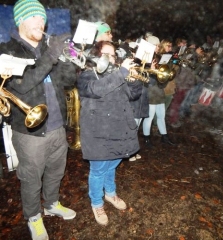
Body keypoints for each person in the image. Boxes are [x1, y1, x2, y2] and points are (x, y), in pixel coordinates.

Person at [0, 0, 77, 239]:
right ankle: (33, 216)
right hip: (30, 132)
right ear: (21, 20)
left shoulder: (47, 48)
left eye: (42, 18)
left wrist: (67, 57)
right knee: (31, 178)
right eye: (34, 18)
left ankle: (51, 203)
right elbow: (21, 86)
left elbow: (67, 81)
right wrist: (51, 55)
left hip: (56, 126)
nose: (40, 23)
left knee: (56, 170)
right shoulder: (7, 50)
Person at [77, 41, 142, 225]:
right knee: (98, 170)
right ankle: (96, 202)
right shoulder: (86, 76)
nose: (111, 58)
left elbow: (133, 95)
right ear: (95, 56)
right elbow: (97, 90)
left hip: (118, 129)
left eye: (113, 55)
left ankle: (110, 194)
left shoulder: (117, 74)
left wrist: (135, 79)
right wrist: (121, 73)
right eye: (106, 54)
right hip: (97, 132)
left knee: (112, 165)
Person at [142, 36, 175, 147]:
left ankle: (164, 137)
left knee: (161, 116)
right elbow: (144, 77)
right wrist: (151, 70)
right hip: (150, 91)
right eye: (155, 45)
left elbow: (163, 73)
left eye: (157, 45)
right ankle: (146, 138)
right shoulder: (144, 57)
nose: (157, 47)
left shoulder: (159, 56)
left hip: (159, 90)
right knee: (149, 117)